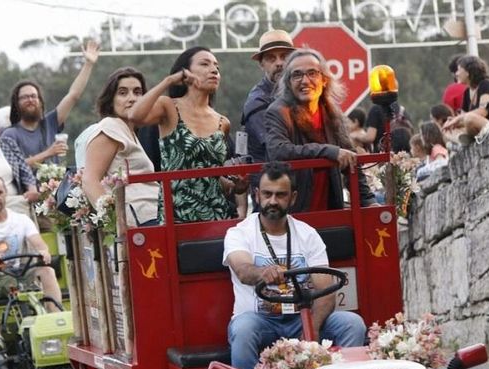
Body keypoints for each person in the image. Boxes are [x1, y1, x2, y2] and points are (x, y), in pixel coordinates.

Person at [224, 161, 366, 369]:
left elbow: (326, 290)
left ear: (293, 198)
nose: (273, 201)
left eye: (281, 195)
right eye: (267, 194)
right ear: (257, 195)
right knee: (243, 328)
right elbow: (243, 270)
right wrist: (263, 273)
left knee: (352, 323)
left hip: (302, 318)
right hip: (261, 322)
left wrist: (312, 330)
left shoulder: (308, 234)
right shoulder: (238, 233)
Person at [129, 46, 243, 223]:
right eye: (205, 64)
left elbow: (210, 175)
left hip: (216, 217)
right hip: (175, 217)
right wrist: (169, 81)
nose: (214, 70)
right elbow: (134, 115)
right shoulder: (168, 107)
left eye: (217, 67)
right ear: (185, 72)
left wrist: (236, 186)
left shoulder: (223, 122)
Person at [264, 48, 376, 212]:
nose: (305, 80)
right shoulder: (278, 111)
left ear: (324, 80)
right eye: (297, 75)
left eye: (312, 73)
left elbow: (350, 159)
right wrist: (329, 151)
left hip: (330, 211)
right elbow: (278, 151)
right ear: (288, 83)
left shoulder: (332, 113)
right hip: (294, 214)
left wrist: (369, 202)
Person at [0, 176, 63, 352]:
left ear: (6, 194)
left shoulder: (21, 219)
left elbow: (39, 243)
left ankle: (56, 323)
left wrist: (43, 252)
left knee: (47, 271)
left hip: (16, 274)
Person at [1, 41, 100, 169]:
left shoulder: (50, 123)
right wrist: (48, 153)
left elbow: (73, 95)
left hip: (58, 182)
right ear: (16, 103)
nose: (30, 100)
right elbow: (11, 167)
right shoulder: (10, 134)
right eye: (24, 97)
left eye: (33, 96)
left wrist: (88, 64)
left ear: (40, 101)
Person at [81, 67, 159, 227]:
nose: (132, 98)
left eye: (137, 92)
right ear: (111, 100)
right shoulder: (110, 127)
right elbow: (89, 180)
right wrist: (116, 222)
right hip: (138, 220)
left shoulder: (130, 131)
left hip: (155, 212)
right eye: (123, 93)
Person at [241, 29, 297, 212]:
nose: (279, 63)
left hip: (296, 189)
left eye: (284, 56)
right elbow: (280, 149)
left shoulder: (302, 93)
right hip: (272, 197)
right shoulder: (257, 102)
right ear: (261, 64)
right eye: (271, 58)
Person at [442, 55, 489, 144]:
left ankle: (466, 138)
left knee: (469, 119)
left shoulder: (486, 85)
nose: (456, 74)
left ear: (468, 72)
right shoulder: (467, 92)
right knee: (447, 129)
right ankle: (464, 139)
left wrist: (458, 118)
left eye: (458, 70)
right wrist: (453, 122)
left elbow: (482, 111)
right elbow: (462, 119)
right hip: (479, 129)